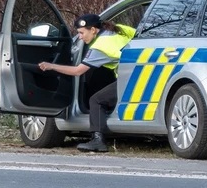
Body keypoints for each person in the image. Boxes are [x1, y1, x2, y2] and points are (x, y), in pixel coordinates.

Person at [37, 13, 136, 153]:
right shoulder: (119, 29)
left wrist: (51, 66)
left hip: (130, 80)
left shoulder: (99, 47)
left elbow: (78, 71)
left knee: (96, 100)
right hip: (141, 73)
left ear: (94, 30)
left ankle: (98, 140)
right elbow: (138, 35)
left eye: (81, 33)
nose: (80, 37)